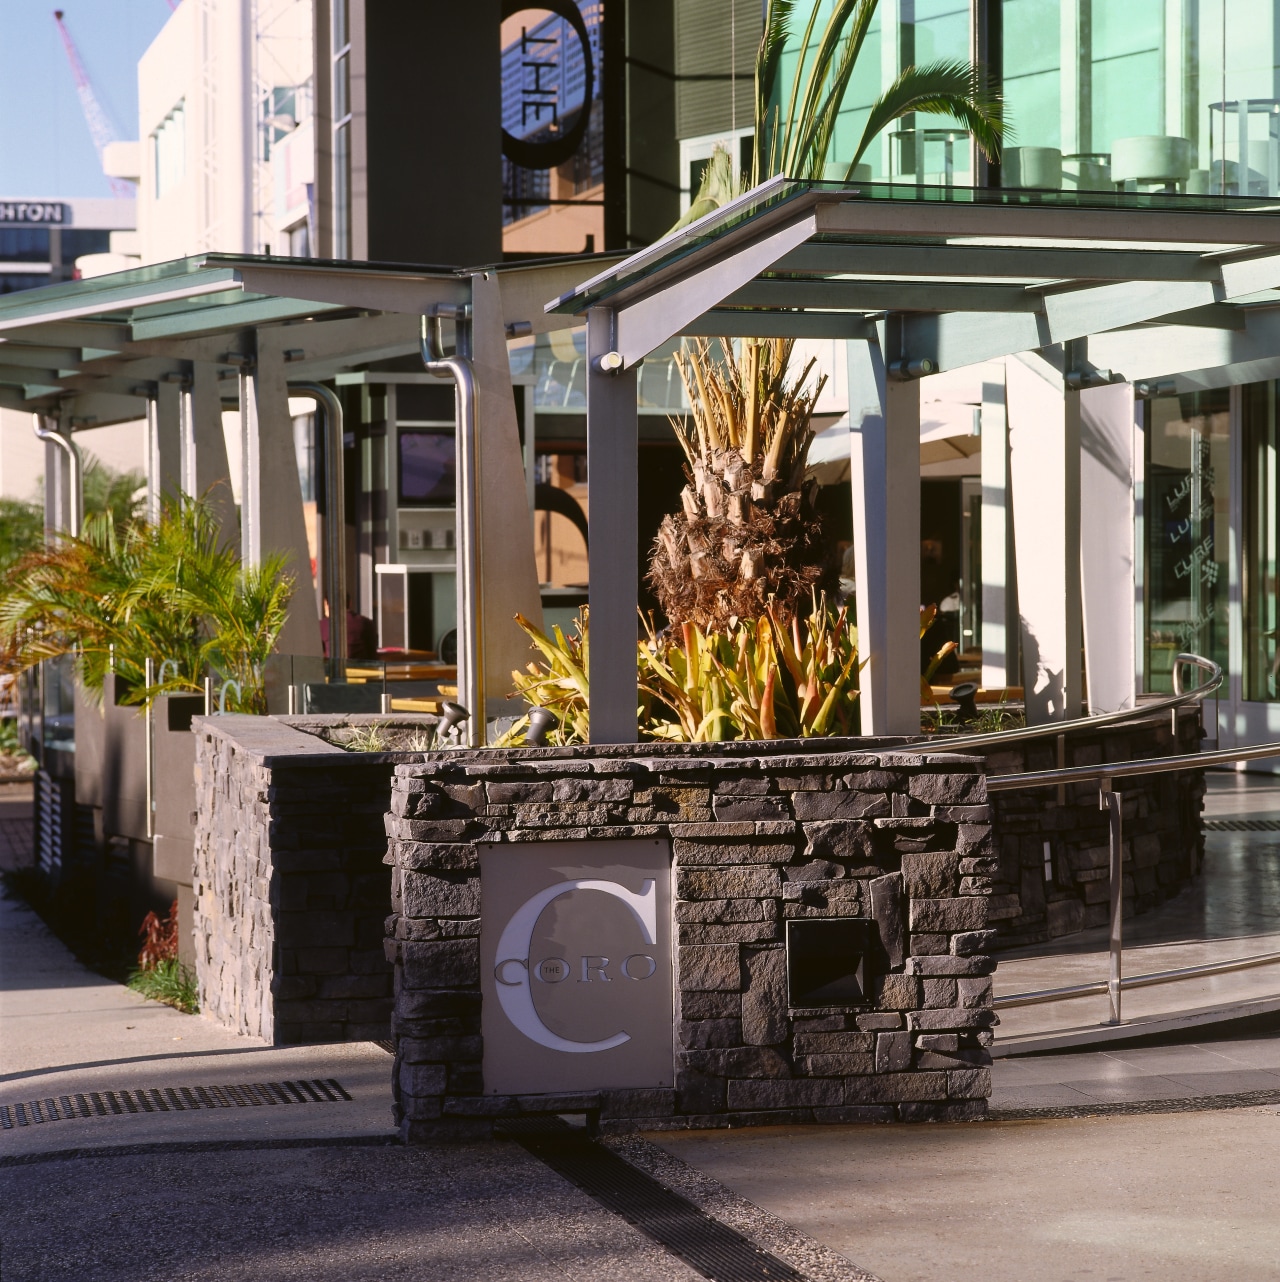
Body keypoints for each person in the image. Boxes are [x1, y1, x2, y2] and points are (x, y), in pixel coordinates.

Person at [321, 596, 376, 661]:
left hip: (334, 669)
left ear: (327, 605)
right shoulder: (366, 623)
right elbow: (372, 654)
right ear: (350, 603)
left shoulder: (323, 625)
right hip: (360, 669)